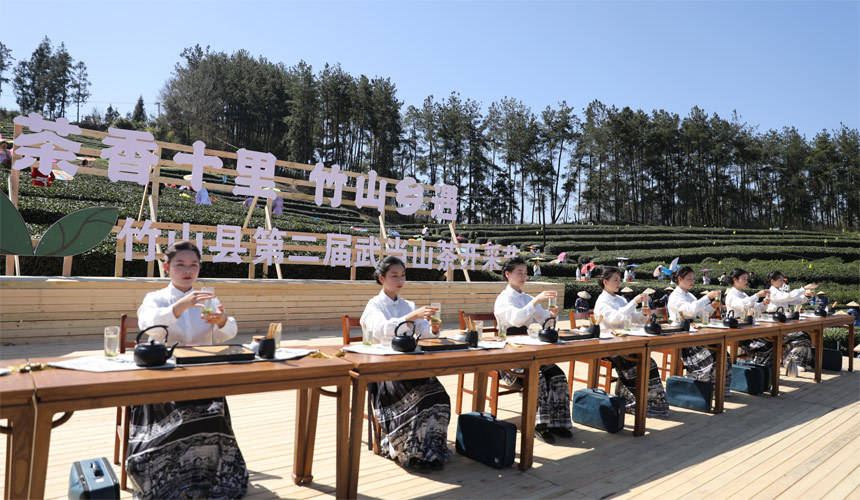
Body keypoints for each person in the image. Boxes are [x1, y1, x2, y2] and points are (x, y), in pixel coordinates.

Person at [131, 241, 248, 499]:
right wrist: (180, 306)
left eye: (193, 265)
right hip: (164, 377)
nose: (187, 270)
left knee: (211, 404)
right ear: (167, 267)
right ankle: (167, 478)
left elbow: (229, 332)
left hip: (202, 374)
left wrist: (222, 321)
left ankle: (208, 474)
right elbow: (148, 326)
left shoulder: (208, 298)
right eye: (180, 265)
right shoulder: (155, 298)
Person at [360, 256, 450, 469]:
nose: (400, 280)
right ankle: (409, 452)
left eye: (403, 275)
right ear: (382, 278)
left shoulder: (408, 304)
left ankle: (431, 450)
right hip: (386, 370)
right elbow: (381, 329)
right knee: (420, 400)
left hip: (412, 365)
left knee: (439, 396)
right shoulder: (374, 306)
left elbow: (424, 334)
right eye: (394, 276)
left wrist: (433, 329)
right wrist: (411, 316)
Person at [494, 257, 573, 443]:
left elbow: (545, 321)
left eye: (525, 273)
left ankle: (558, 422)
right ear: (507, 274)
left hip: (531, 354)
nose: (524, 276)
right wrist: (536, 301)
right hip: (509, 359)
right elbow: (516, 320)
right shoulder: (503, 299)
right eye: (519, 273)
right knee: (538, 377)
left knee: (558, 375)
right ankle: (539, 424)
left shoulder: (527, 298)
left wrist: (551, 316)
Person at [593, 267, 670, 417]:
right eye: (615, 280)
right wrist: (634, 301)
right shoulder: (601, 301)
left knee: (648, 362)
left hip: (625, 343)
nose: (618, 283)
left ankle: (650, 401)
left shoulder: (621, 299)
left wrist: (643, 314)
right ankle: (633, 400)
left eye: (619, 279)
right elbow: (616, 319)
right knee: (637, 363)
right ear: (605, 282)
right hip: (609, 345)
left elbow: (633, 318)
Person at [667, 266, 732, 391]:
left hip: (693, 333)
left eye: (693, 279)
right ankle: (701, 387)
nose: (692, 281)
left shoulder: (690, 296)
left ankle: (718, 388)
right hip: (681, 334)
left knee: (722, 353)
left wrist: (712, 306)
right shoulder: (675, 296)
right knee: (708, 356)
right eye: (689, 279)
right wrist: (707, 297)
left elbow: (701, 314)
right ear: (680, 279)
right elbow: (690, 310)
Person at [766, 271, 817, 370]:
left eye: (783, 280)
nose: (782, 282)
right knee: (801, 336)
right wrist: (803, 289)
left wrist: (806, 296)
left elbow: (795, 300)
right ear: (772, 281)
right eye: (780, 280)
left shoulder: (780, 292)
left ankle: (797, 361)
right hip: (775, 322)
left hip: (782, 321)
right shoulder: (771, 292)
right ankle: (791, 361)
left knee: (805, 335)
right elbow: (789, 297)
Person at [724, 268, 771, 365]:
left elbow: (755, 308)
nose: (746, 281)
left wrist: (763, 303)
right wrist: (757, 295)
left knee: (769, 344)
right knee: (765, 346)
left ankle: (760, 368)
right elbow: (743, 305)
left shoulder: (743, 294)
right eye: (744, 279)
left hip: (746, 329)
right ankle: (756, 366)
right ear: (735, 280)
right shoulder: (731, 295)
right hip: (737, 330)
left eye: (747, 279)